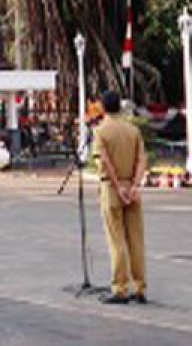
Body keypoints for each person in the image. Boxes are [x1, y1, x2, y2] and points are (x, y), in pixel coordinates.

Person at [93, 90, 148, 304]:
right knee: (136, 240)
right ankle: (140, 286)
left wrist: (118, 188)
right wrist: (134, 186)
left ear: (103, 107)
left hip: (112, 189)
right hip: (132, 190)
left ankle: (120, 287)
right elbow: (142, 160)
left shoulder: (101, 131)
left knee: (116, 240)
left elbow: (104, 161)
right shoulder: (133, 130)